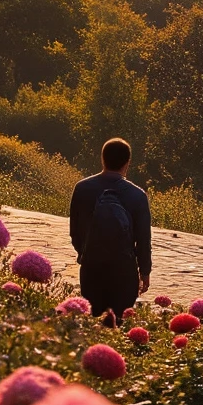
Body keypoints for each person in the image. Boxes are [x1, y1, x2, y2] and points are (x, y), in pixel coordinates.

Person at [69, 137, 152, 321]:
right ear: (127, 163)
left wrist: (85, 252)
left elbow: (75, 232)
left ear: (102, 159)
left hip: (92, 267)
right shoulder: (137, 195)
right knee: (119, 325)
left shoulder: (82, 188)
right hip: (124, 271)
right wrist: (144, 271)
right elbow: (143, 239)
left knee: (93, 321)